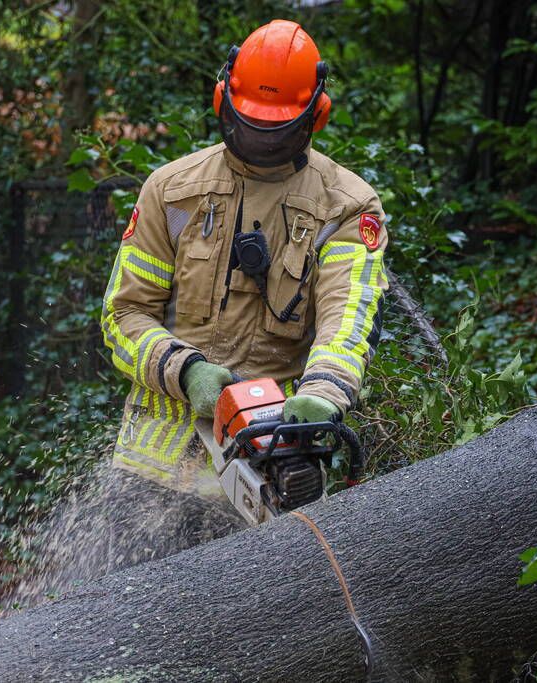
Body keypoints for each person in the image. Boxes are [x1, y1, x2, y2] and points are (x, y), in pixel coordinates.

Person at [101, 19, 389, 508]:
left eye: (277, 130)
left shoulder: (346, 206)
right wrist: (185, 370)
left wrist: (323, 393)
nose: (264, 141)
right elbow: (122, 316)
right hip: (150, 465)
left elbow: (349, 321)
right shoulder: (172, 191)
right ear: (223, 104)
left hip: (265, 466)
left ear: (314, 116)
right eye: (252, 125)